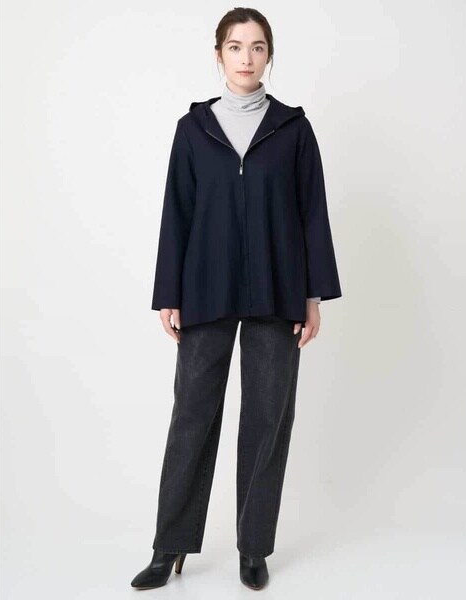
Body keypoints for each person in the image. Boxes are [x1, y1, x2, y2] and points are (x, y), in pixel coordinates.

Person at [131, 7, 342, 591]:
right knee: (192, 415)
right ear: (218, 54)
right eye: (234, 46)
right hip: (205, 285)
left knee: (268, 417)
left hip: (278, 285)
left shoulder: (293, 130)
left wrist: (312, 296)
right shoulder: (193, 129)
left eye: (256, 47)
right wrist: (169, 293)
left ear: (269, 55)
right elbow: (176, 213)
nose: (246, 57)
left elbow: (312, 213)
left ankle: (254, 547)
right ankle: (169, 545)